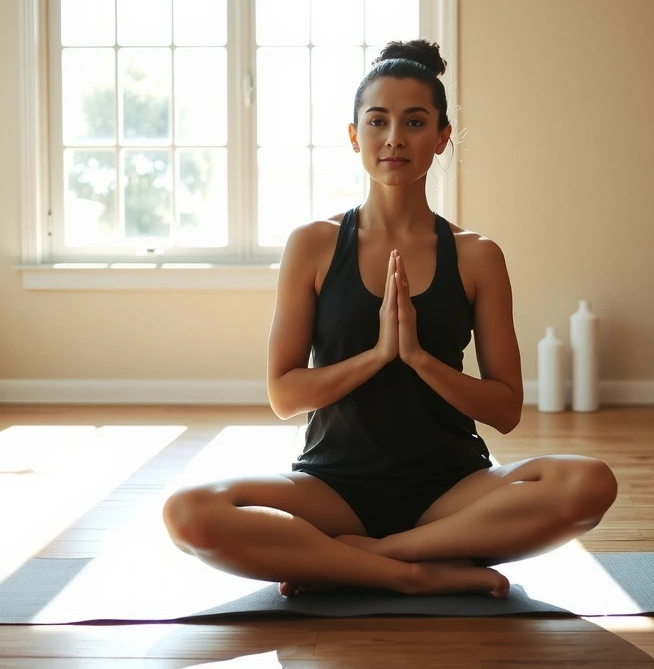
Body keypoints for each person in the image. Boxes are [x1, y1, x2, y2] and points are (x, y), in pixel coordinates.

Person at [162, 40, 618, 598]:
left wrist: (419, 359)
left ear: (442, 137)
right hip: (332, 488)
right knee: (189, 512)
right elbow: (284, 395)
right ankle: (412, 573)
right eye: (378, 121)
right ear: (354, 135)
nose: (395, 137)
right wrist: (377, 356)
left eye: (415, 122)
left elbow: (505, 409)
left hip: (452, 491)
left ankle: (367, 557)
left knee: (589, 483)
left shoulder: (477, 255)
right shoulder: (312, 245)